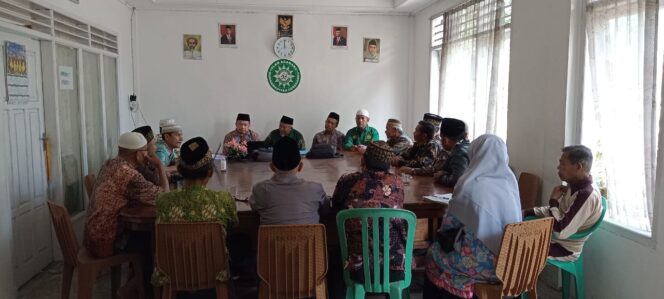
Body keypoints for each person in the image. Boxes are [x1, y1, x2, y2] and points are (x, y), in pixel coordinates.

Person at [424, 134, 522, 299]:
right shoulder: (510, 182)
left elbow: (448, 226)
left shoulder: (469, 184)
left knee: (433, 253)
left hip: (482, 266)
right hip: (511, 262)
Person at [84, 132, 169, 258]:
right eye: (145, 151)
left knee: (146, 236)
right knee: (155, 239)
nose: (148, 154)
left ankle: (137, 275)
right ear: (138, 154)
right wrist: (160, 166)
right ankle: (144, 277)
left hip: (92, 236)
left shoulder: (110, 164)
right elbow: (164, 197)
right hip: (106, 241)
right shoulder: (128, 174)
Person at [332, 141, 406, 282]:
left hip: (357, 268)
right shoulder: (398, 183)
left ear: (363, 160)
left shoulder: (348, 181)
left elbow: (336, 207)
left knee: (332, 251)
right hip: (395, 266)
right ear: (388, 164)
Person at [523, 145, 603, 261]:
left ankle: (511, 278)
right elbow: (559, 213)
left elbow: (560, 231)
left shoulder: (586, 195)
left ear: (578, 167)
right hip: (555, 239)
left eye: (562, 164)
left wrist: (553, 201)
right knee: (515, 235)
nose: (558, 167)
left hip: (565, 248)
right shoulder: (574, 185)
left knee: (518, 247)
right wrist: (529, 211)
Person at [249, 137, 328, 225]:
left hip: (273, 238)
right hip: (309, 238)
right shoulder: (315, 189)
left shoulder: (260, 189)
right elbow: (326, 209)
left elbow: (254, 208)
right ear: (301, 167)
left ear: (271, 167)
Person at [409, 118, 470, 188]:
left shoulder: (459, 153)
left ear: (445, 139)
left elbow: (456, 181)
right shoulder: (463, 146)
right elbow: (439, 169)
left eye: (441, 138)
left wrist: (441, 177)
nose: (440, 140)